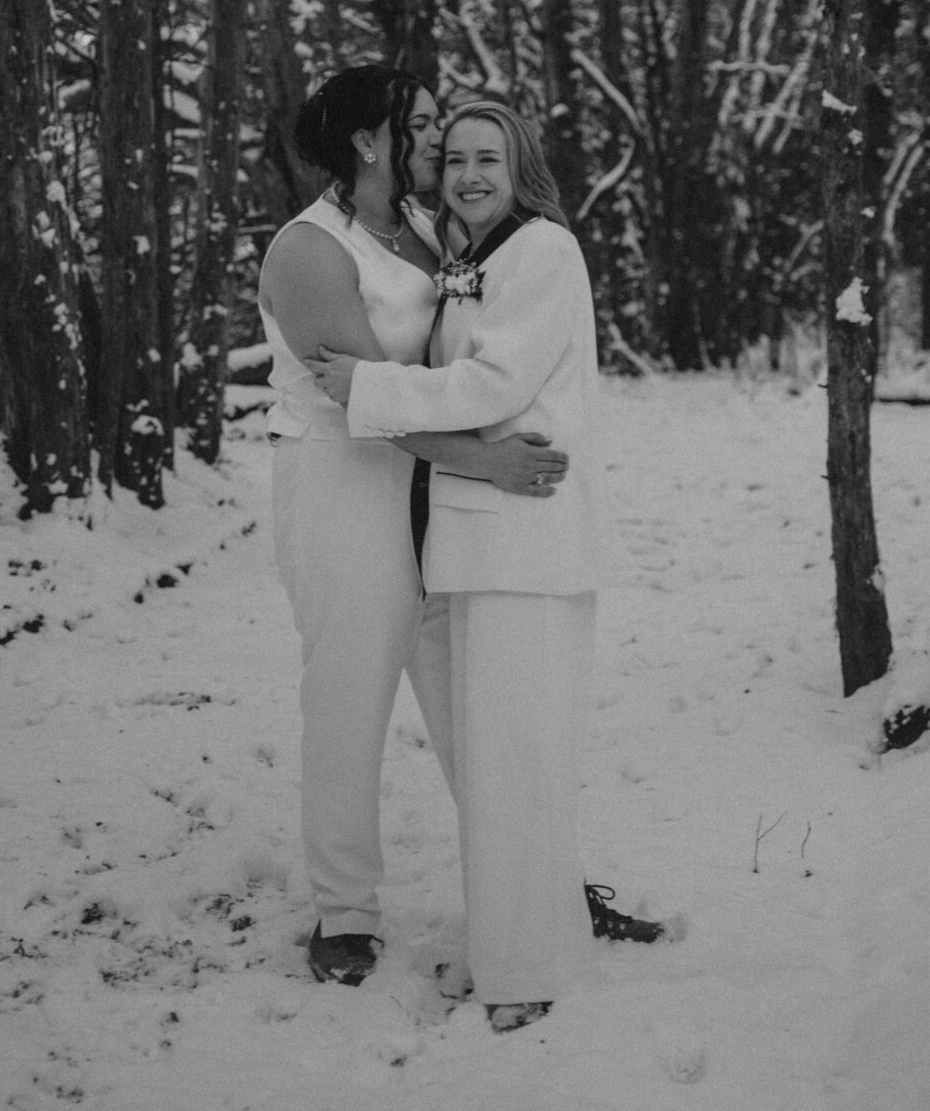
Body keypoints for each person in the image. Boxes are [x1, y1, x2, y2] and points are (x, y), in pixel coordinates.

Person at [308, 100, 658, 1035]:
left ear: (520, 166)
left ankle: (528, 971)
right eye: (455, 156)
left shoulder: (542, 250)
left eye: (488, 159)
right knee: (500, 768)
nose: (467, 173)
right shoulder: (475, 259)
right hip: (478, 541)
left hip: (527, 543)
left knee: (518, 766)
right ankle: (513, 949)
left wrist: (369, 387)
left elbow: (495, 385)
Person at [258, 67, 569, 991]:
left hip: (429, 488)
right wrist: (491, 462)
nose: (437, 138)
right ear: (367, 140)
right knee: (351, 690)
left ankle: (533, 883)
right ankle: (344, 911)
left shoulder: (428, 229)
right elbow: (362, 398)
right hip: (340, 481)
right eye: (423, 123)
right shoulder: (307, 252)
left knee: (469, 690)